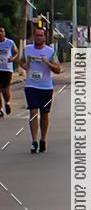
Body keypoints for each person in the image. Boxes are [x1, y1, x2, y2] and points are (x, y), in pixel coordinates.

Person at [21, 24, 62, 153]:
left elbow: (58, 69)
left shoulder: (50, 52)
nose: (39, 38)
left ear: (45, 37)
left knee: (44, 113)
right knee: (33, 111)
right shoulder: (27, 49)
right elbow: (21, 61)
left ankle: (43, 139)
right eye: (37, 35)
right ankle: (34, 141)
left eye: (41, 35)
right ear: (33, 36)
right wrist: (24, 65)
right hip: (31, 85)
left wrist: (48, 63)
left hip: (46, 87)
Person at [0, 26, 18, 117]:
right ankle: (0, 109)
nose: (0, 33)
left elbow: (16, 52)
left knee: (5, 89)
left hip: (7, 69)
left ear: (4, 33)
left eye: (1, 31)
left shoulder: (9, 42)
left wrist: (12, 58)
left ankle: (7, 102)